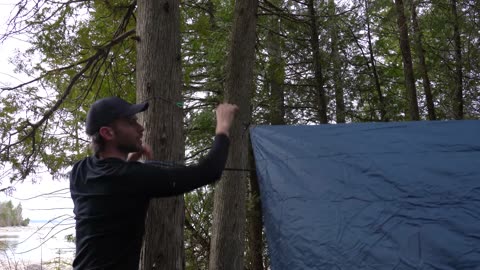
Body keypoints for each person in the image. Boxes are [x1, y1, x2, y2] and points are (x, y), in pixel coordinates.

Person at [69, 96, 238, 270]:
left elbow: (111, 187)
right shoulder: (133, 177)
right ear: (107, 133)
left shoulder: (79, 171)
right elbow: (209, 171)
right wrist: (223, 127)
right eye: (131, 122)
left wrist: (127, 164)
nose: (140, 128)